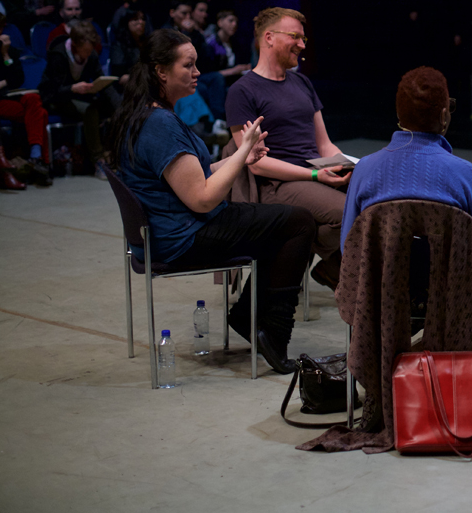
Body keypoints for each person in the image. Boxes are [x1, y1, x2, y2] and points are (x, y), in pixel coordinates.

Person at [108, 28, 316, 374]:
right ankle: (271, 331)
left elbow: (193, 174)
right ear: (161, 71)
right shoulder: (159, 124)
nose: (197, 72)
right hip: (182, 237)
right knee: (299, 223)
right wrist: (244, 149)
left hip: (168, 232)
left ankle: (250, 318)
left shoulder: (145, 113)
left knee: (280, 222)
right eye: (188, 65)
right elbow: (202, 198)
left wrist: (239, 159)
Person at [226, 7, 351, 291]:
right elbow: (255, 163)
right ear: (268, 37)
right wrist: (316, 176)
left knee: (375, 201)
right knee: (350, 213)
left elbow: (324, 144)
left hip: (312, 173)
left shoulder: (302, 83)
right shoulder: (243, 91)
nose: (302, 45)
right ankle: (313, 257)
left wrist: (345, 164)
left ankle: (303, 252)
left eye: (303, 38)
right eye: (295, 36)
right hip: (277, 184)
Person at [340, 66, 472, 264]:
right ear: (443, 116)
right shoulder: (464, 174)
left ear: (399, 115)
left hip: (381, 292)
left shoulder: (364, 169)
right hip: (449, 293)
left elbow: (347, 247)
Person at [39, 21, 118, 175]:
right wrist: (72, 88)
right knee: (90, 110)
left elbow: (100, 80)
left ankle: (114, 156)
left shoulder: (91, 54)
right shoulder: (59, 54)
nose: (88, 54)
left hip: (78, 96)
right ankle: (98, 161)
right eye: (85, 50)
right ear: (75, 45)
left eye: (90, 50)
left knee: (109, 107)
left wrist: (121, 107)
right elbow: (52, 90)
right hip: (55, 98)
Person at [0, 11, 50, 186]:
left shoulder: (9, 50)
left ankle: (35, 156)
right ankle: (41, 162)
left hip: (9, 97)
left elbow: (17, 78)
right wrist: (5, 82)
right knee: (39, 114)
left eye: (1, 28)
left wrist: (5, 56)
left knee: (34, 100)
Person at [204, 10, 252, 79]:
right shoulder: (211, 44)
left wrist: (244, 68)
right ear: (220, 23)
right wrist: (234, 70)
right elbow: (209, 74)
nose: (234, 24)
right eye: (230, 21)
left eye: (236, 22)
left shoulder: (235, 43)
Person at [109, 9, 147, 86]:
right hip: (128, 88)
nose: (141, 22)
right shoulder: (118, 46)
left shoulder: (147, 42)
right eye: (135, 19)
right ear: (127, 22)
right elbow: (119, 78)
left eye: (143, 19)